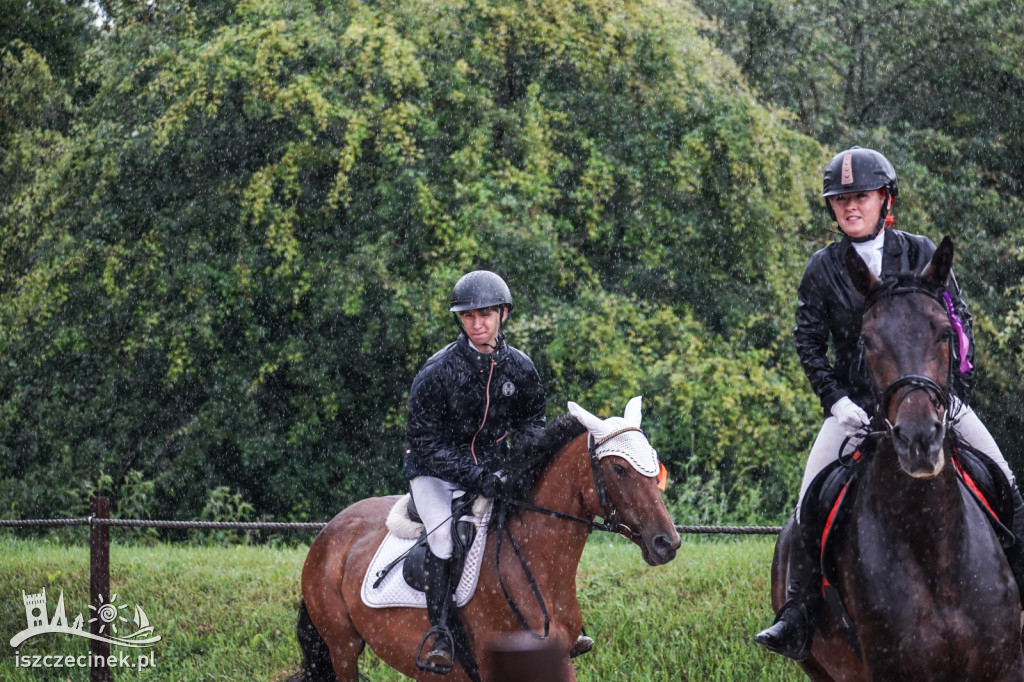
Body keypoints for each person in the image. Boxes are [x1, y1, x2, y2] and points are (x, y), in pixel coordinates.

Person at [754, 146, 1024, 660]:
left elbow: (958, 333)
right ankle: (798, 613)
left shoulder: (922, 252)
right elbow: (808, 342)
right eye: (839, 200)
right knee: (808, 500)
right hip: (856, 408)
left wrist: (953, 400)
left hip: (935, 402)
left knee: (1006, 482)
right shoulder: (824, 268)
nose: (849, 207)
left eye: (860, 196)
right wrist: (835, 401)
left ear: (885, 198)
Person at [403, 270, 548, 672]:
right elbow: (427, 443)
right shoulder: (438, 371)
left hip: (491, 467)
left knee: (526, 526)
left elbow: (532, 420)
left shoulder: (519, 367)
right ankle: (441, 634)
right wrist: (481, 477)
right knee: (445, 542)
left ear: (503, 314)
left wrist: (518, 462)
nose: (476, 323)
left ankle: (552, 621)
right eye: (467, 317)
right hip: (433, 471)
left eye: (484, 314)